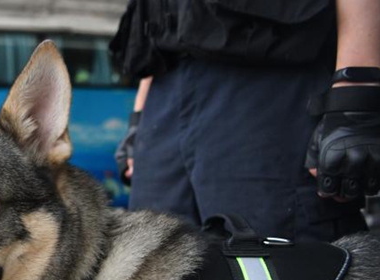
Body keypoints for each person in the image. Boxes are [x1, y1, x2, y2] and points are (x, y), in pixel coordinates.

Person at [112, 0, 380, 242]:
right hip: (165, 91)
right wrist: (139, 117)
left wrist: (356, 87)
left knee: (282, 267)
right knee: (156, 267)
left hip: (272, 80)